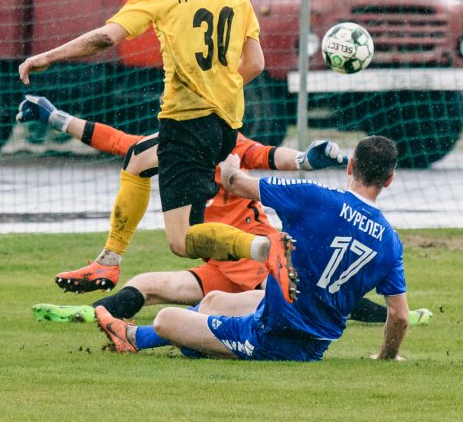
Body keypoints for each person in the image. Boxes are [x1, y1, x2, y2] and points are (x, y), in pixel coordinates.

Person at [18, 0, 298, 302]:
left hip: (187, 121)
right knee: (137, 157)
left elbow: (106, 38)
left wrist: (48, 56)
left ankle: (263, 247)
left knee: (181, 242)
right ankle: (108, 260)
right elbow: (255, 64)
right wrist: (218, 88)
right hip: (224, 124)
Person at [21, 102, 430, 337]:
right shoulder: (172, 148)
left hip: (257, 256)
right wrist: (54, 117)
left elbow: (270, 156)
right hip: (219, 263)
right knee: (147, 284)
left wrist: (307, 158)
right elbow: (116, 141)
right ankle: (92, 312)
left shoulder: (232, 144)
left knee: (304, 295)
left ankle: (399, 315)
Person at [97, 135, 412, 362]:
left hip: (271, 336)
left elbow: (235, 183)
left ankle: (133, 338)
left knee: (166, 319)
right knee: (214, 300)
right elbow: (399, 316)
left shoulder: (314, 197)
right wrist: (387, 355)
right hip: (310, 338)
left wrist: (231, 160)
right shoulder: (390, 240)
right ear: (389, 180)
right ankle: (201, 340)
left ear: (350, 166)